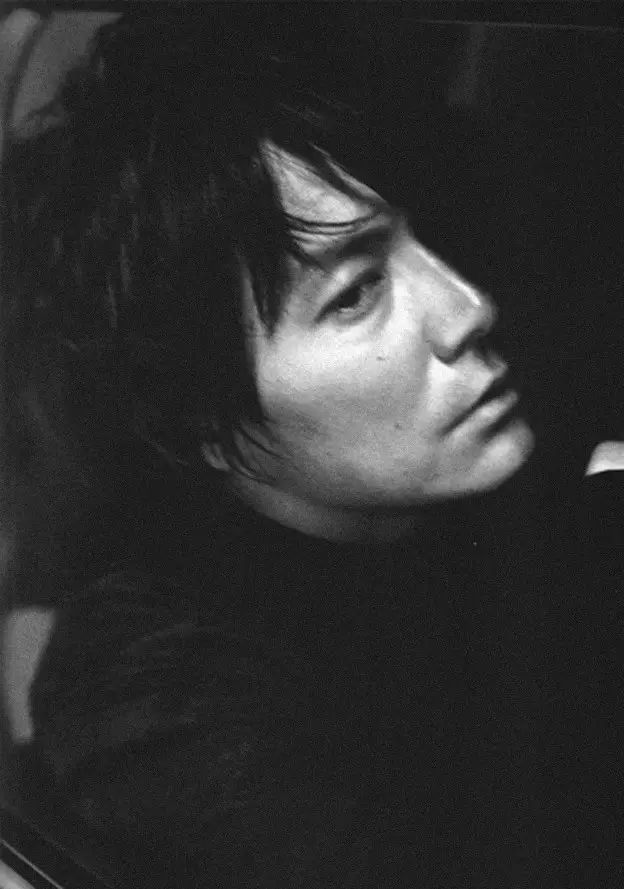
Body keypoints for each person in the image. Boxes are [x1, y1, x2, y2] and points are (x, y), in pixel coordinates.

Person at [2, 7, 621, 889]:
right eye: (357, 292)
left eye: (420, 239)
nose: (466, 307)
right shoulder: (161, 697)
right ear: (202, 417)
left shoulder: (510, 458)